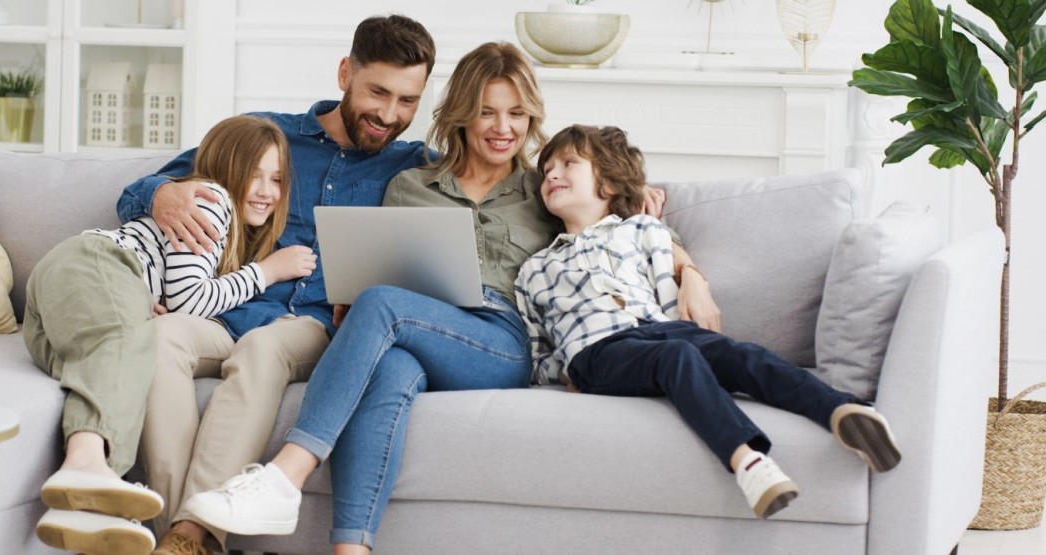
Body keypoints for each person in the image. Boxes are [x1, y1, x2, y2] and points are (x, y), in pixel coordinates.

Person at [181, 42, 719, 555]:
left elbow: (621, 220)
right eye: (487, 112)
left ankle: (284, 475)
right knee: (389, 367)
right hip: (417, 326)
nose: (502, 128)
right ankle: (351, 546)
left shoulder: (545, 187)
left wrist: (689, 271)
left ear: (532, 118)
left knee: (383, 304)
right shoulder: (411, 184)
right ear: (462, 113)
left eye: (516, 114)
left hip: (499, 341)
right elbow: (380, 264)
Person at [116, 15, 439, 555]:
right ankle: (187, 536)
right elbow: (139, 193)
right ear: (345, 74)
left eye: (407, 101)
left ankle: (193, 532)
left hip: (311, 325)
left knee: (264, 349)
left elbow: (508, 178)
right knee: (162, 336)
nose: (389, 115)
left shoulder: (419, 166)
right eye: (378, 92)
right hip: (225, 306)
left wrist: (626, 188)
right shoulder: (267, 133)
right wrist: (159, 194)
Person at [513, 124, 903, 519]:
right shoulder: (536, 268)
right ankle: (747, 462)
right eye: (546, 170)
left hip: (658, 329)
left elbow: (670, 285)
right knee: (676, 356)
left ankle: (844, 413)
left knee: (740, 355)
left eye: (568, 164)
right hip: (596, 352)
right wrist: (564, 376)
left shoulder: (643, 230)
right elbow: (538, 347)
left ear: (610, 184)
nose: (552, 175)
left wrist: (688, 278)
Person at [24, 115, 317, 555]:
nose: (266, 191)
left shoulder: (227, 225)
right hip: (99, 262)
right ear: (227, 171)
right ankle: (86, 463)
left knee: (113, 361)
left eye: (276, 179)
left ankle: (120, 517)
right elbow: (189, 302)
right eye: (254, 175)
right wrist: (267, 272)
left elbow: (177, 295)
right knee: (128, 339)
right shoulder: (211, 200)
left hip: (60, 301)